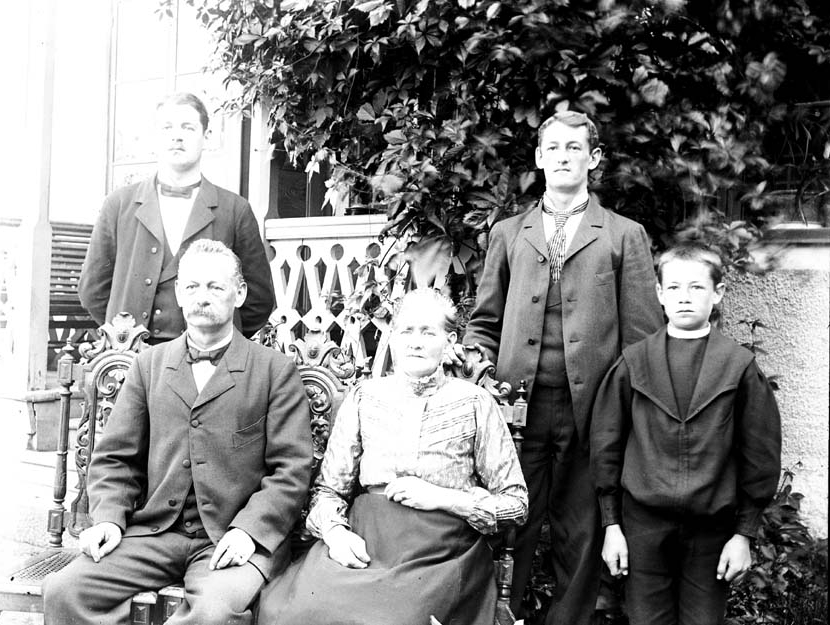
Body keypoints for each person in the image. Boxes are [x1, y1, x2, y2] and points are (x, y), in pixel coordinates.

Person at [43, 239, 313, 625]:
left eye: (215, 287)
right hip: (154, 533)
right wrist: (109, 518)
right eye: (192, 287)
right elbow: (116, 458)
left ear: (239, 294)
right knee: (66, 592)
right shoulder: (149, 365)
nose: (202, 297)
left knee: (214, 613)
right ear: (179, 294)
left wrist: (250, 530)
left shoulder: (274, 371)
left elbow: (291, 469)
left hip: (232, 538)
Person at [462, 110, 663, 624]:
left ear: (593, 159)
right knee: (510, 527)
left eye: (575, 148)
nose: (563, 157)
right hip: (516, 412)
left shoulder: (623, 235)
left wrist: (624, 410)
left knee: (581, 533)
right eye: (553, 147)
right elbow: (483, 324)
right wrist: (482, 375)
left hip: (590, 412)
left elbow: (642, 341)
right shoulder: (509, 233)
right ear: (538, 157)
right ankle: (500, 618)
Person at [257, 288, 528, 625]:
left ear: (450, 341)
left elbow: (516, 504)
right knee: (298, 611)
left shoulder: (475, 402)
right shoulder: (365, 397)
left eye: (428, 332)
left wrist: (442, 498)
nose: (416, 343)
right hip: (366, 540)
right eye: (406, 331)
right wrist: (336, 534)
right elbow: (328, 491)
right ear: (393, 338)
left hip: (441, 554)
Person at [590, 243, 782, 625]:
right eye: (674, 288)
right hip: (643, 528)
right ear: (659, 294)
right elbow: (606, 448)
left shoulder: (738, 366)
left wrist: (743, 534)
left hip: (711, 529)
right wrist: (611, 525)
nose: (684, 298)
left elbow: (760, 455)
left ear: (718, 293)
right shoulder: (634, 363)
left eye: (696, 288)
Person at [78, 92, 275, 343]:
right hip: (131, 358)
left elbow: (259, 298)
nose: (177, 136)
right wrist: (122, 338)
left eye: (188, 128)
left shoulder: (236, 211)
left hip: (208, 358)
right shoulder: (117, 206)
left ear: (206, 137)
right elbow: (92, 290)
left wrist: (215, 339)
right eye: (167, 127)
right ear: (155, 137)